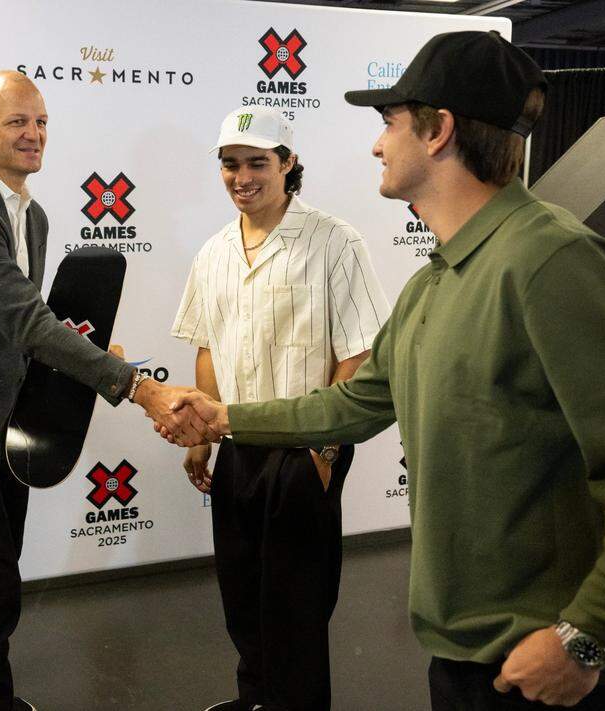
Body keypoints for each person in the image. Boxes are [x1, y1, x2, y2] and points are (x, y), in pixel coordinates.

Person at [162, 31, 605, 711]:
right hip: (465, 654)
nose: (376, 144)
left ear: (439, 132)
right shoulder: (435, 283)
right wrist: (225, 418)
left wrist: (588, 635)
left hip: (555, 671)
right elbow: (352, 403)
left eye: (389, 123)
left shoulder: (553, 263)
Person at [0, 70, 203, 711]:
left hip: (9, 422)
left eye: (40, 122)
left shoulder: (29, 214)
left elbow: (27, 321)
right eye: (16, 122)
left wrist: (92, 354)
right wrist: (136, 388)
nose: (33, 134)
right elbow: (27, 322)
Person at [171, 106, 389, 711]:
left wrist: (324, 449)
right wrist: (201, 435)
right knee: (241, 594)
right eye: (231, 164)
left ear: (288, 164)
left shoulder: (334, 241)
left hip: (302, 448)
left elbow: (359, 354)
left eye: (258, 163)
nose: (243, 176)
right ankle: (256, 699)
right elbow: (209, 346)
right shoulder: (214, 252)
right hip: (237, 442)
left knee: (296, 606)